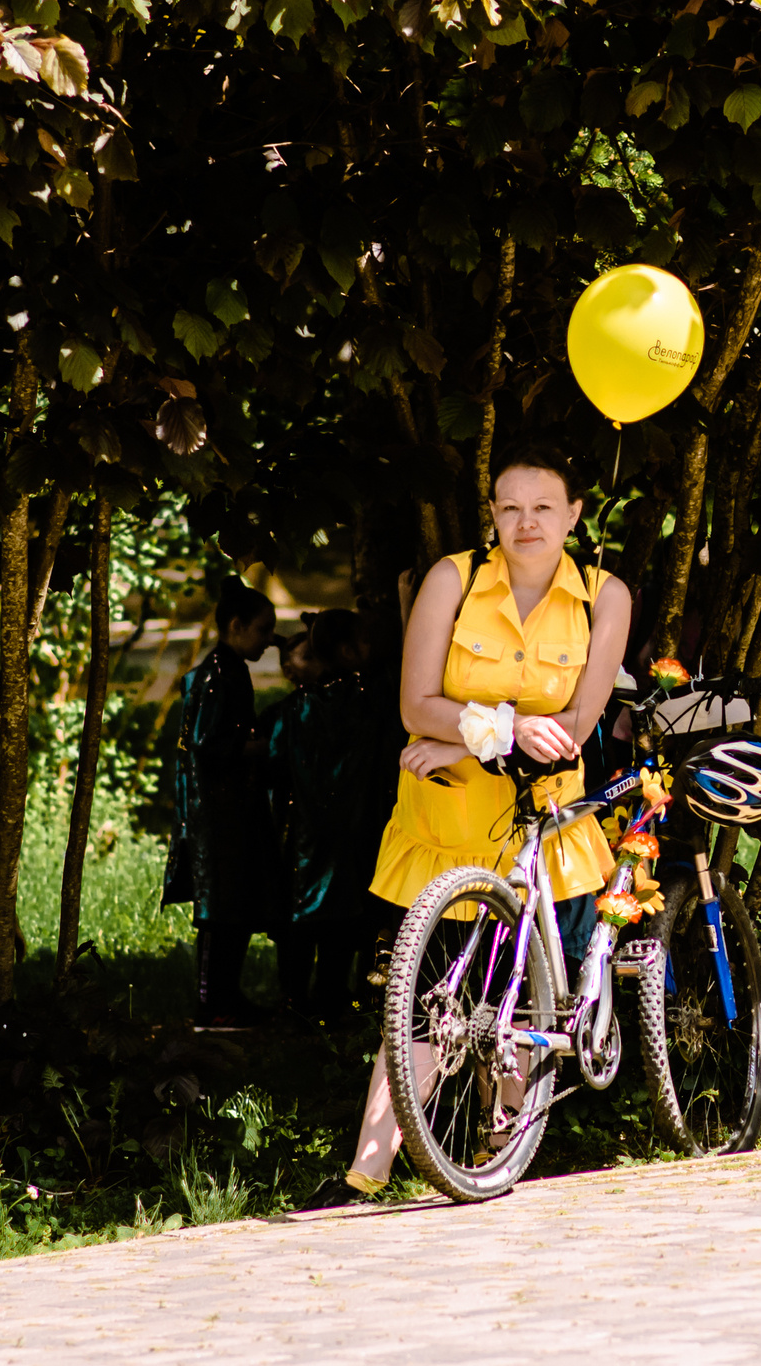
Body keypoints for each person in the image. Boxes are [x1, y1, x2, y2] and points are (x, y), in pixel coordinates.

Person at [306, 444, 630, 1207]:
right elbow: (414, 703)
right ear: (491, 513)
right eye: (510, 506)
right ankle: (365, 1174)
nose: (526, 522)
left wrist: (466, 738)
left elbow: (577, 725)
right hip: (445, 826)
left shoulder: (604, 596)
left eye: (543, 507)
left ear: (574, 515)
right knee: (423, 1009)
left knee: (521, 1008)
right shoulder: (451, 580)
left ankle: (498, 1152)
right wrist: (505, 730)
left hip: (542, 824)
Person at [161, 580, 283, 1030]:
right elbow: (205, 744)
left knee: (237, 907)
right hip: (216, 814)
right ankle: (212, 1003)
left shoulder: (230, 669)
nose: (269, 640)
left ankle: (228, 997)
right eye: (263, 629)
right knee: (220, 911)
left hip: (233, 809)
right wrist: (255, 749)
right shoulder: (217, 674)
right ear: (236, 626)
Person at [265, 608, 388, 1015]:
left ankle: (294, 1001)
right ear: (348, 651)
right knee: (348, 918)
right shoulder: (373, 701)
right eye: (364, 640)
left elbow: (273, 763)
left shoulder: (294, 708)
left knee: (302, 918)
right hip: (358, 832)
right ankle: (334, 1001)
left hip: (304, 835)